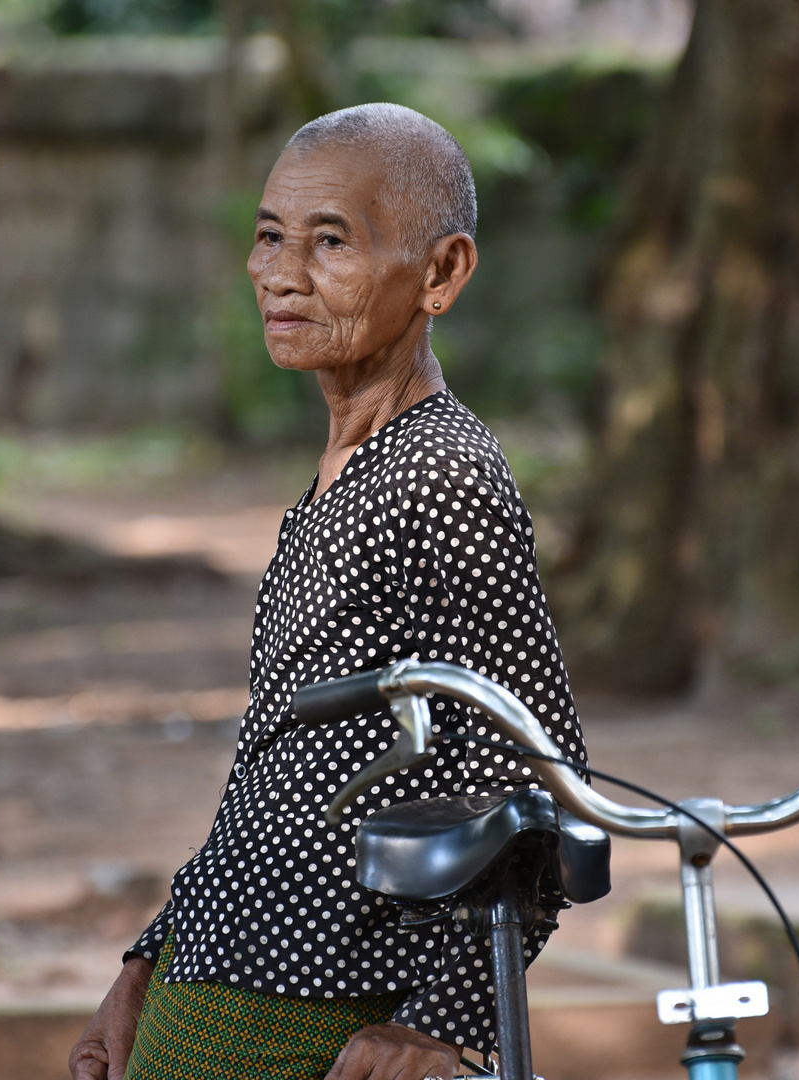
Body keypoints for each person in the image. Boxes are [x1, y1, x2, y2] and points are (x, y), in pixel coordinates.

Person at [68, 103, 587, 1080]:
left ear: (442, 274)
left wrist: (442, 1020)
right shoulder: (344, 470)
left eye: (329, 242)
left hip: (312, 1001)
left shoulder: (443, 476)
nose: (279, 273)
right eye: (268, 236)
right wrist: (152, 952)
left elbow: (539, 778)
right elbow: (279, 765)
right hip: (221, 969)